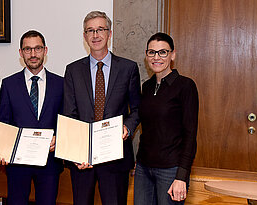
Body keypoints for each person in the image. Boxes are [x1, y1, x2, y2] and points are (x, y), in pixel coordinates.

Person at [63, 11, 141, 205]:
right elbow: (69, 114)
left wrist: (128, 128)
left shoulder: (128, 68)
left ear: (109, 33)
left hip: (115, 157)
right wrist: (73, 152)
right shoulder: (73, 70)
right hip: (82, 159)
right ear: (84, 36)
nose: (95, 35)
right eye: (90, 30)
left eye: (100, 29)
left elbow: (138, 109)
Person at [0, 30, 64, 204]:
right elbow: (4, 122)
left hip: (50, 164)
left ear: (45, 50)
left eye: (37, 48)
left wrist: (60, 139)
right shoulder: (8, 84)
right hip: (18, 165)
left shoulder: (61, 84)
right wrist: (1, 149)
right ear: (20, 53)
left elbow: (66, 120)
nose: (33, 54)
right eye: (28, 49)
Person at [134, 32, 198, 204]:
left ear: (172, 55)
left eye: (163, 52)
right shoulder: (146, 87)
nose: (157, 57)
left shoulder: (185, 86)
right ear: (146, 55)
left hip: (171, 170)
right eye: (152, 52)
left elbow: (190, 135)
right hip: (143, 168)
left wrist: (182, 177)